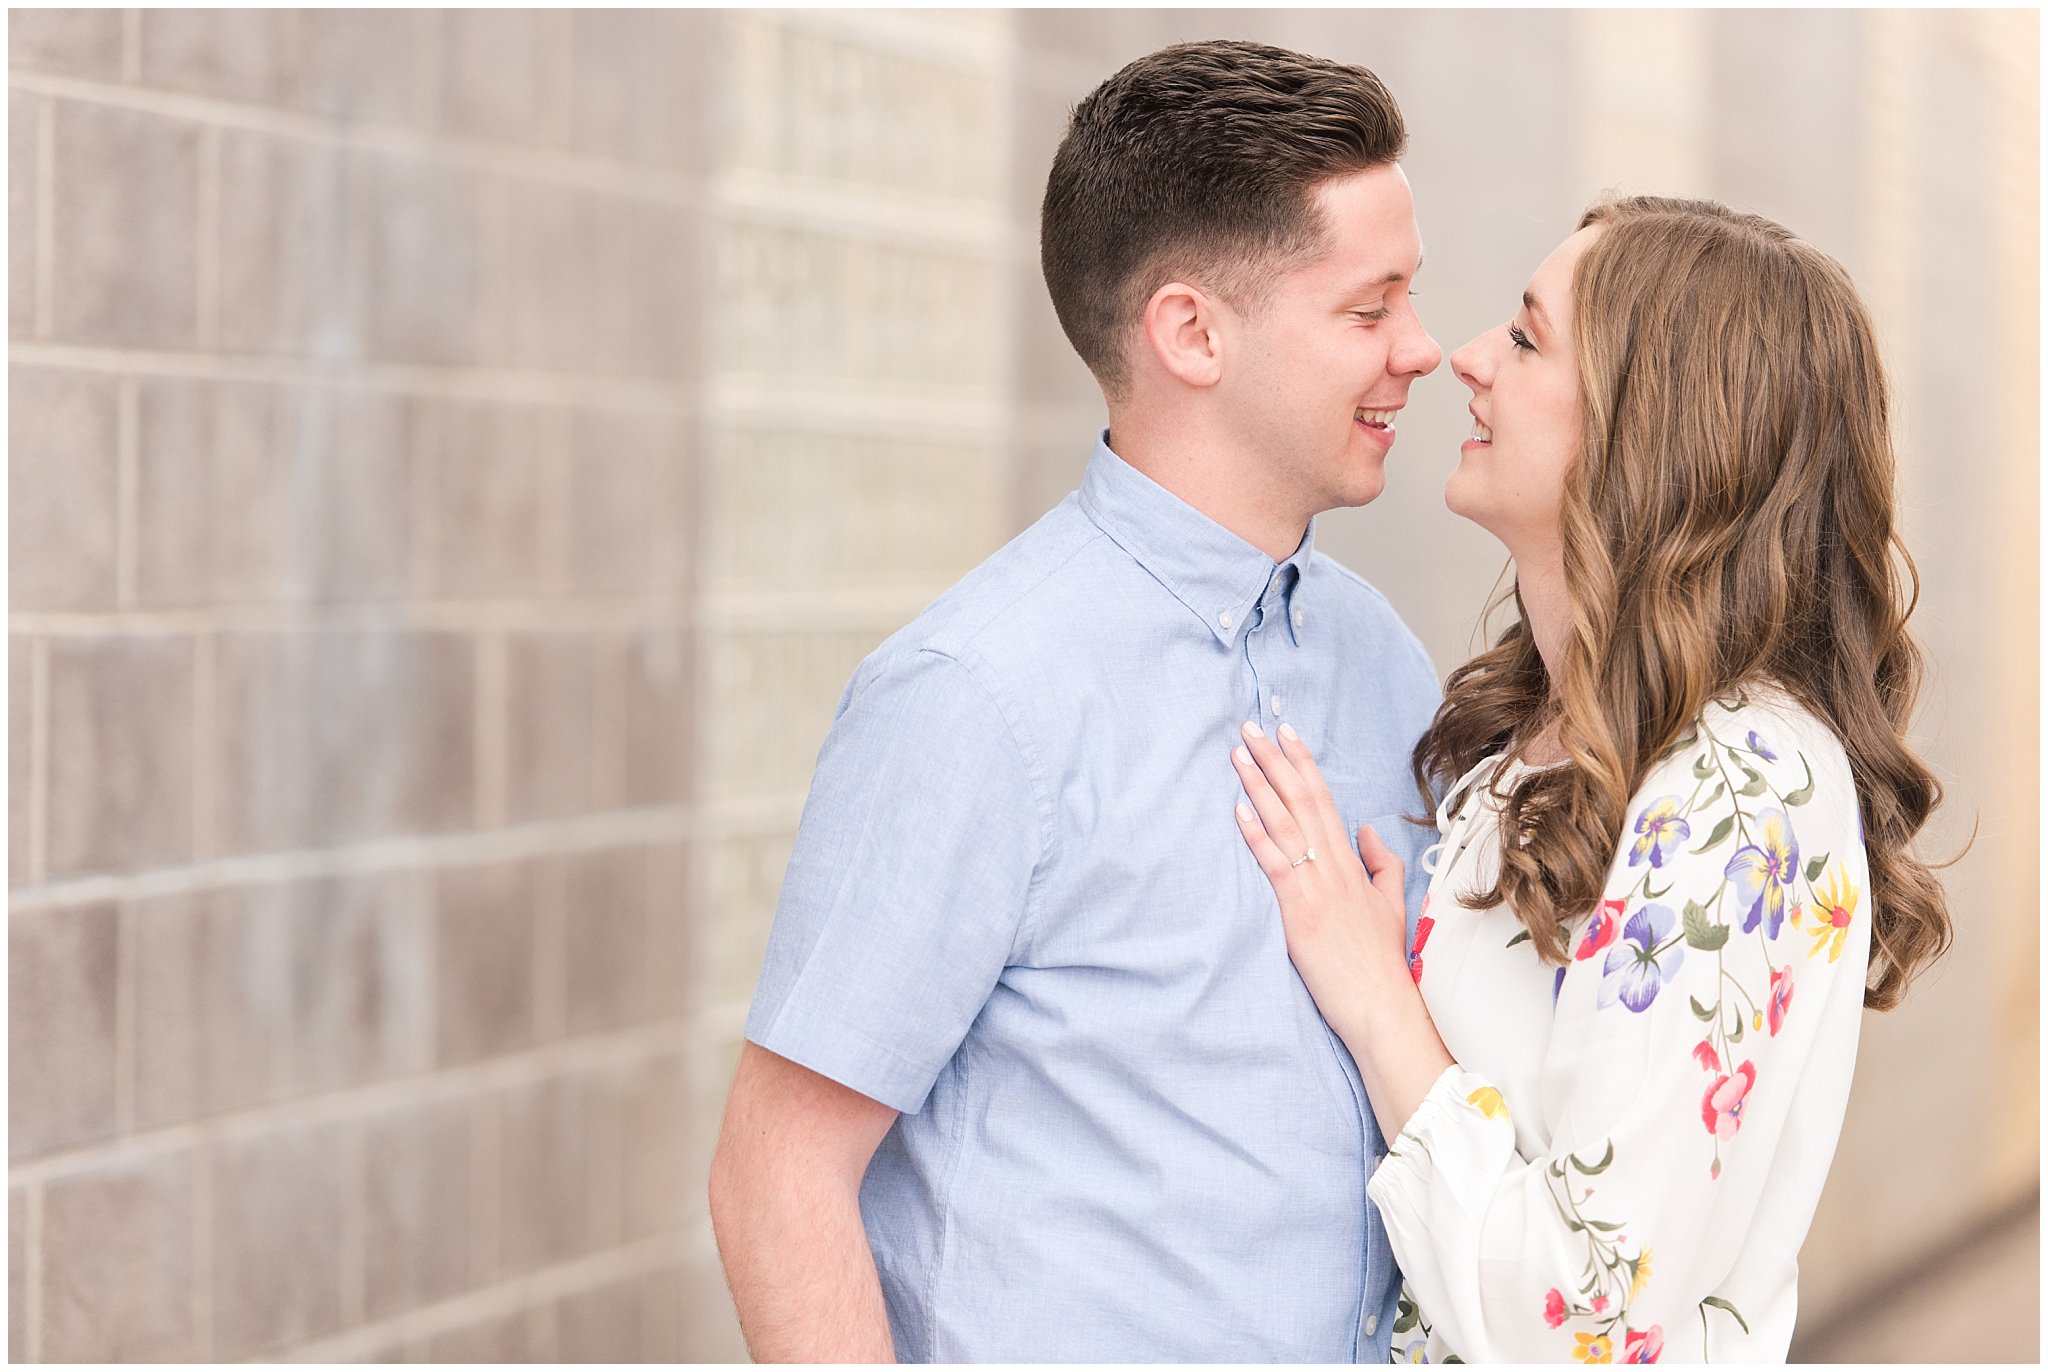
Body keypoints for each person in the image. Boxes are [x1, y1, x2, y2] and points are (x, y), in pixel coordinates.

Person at [709, 40, 1443, 1362]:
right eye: (1368, 309)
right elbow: (779, 1174)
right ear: (1192, 333)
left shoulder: (1387, 664)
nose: (1422, 351)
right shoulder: (978, 697)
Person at [1230, 197, 1953, 1362]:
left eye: (1522, 341)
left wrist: (1374, 1002)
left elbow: (1591, 1317)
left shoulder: (1743, 785)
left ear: (1650, 428)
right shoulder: (1542, 732)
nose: (1460, 357)